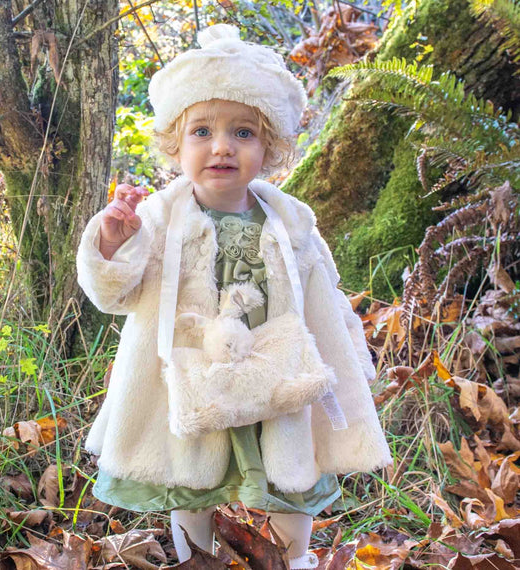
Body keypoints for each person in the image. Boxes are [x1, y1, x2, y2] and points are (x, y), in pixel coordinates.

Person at [76, 23, 391, 569]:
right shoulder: (157, 218)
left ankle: (293, 560)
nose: (221, 146)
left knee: (292, 474)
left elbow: (324, 295)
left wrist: (348, 357)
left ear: (269, 147)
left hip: (277, 365)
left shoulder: (293, 219)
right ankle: (194, 557)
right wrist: (111, 242)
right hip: (191, 370)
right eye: (202, 131)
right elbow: (115, 292)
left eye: (243, 132)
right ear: (175, 145)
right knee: (190, 473)